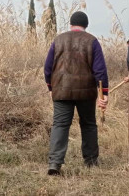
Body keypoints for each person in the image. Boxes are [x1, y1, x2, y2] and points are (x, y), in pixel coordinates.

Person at [44, 11, 109, 175]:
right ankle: (91, 162)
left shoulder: (58, 40)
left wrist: (52, 87)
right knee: (88, 125)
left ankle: (55, 163)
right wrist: (104, 92)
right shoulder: (92, 41)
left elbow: (47, 67)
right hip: (86, 92)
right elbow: (100, 70)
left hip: (61, 91)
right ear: (86, 25)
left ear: (71, 24)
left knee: (60, 125)